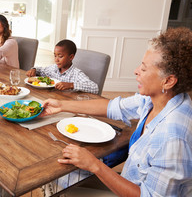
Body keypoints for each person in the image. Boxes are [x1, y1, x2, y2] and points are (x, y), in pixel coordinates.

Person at [41, 27, 192, 196]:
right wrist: (61, 105)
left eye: (143, 68)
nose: (136, 71)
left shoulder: (172, 137)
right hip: (130, 180)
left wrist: (94, 165)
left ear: (168, 81)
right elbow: (112, 107)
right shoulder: (156, 99)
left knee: (57, 177)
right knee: (58, 175)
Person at [26, 39, 99, 94]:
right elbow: (41, 70)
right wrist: (34, 69)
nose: (56, 60)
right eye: (55, 55)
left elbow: (95, 88)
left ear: (71, 57)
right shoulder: (53, 68)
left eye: (60, 56)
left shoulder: (76, 74)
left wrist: (71, 85)